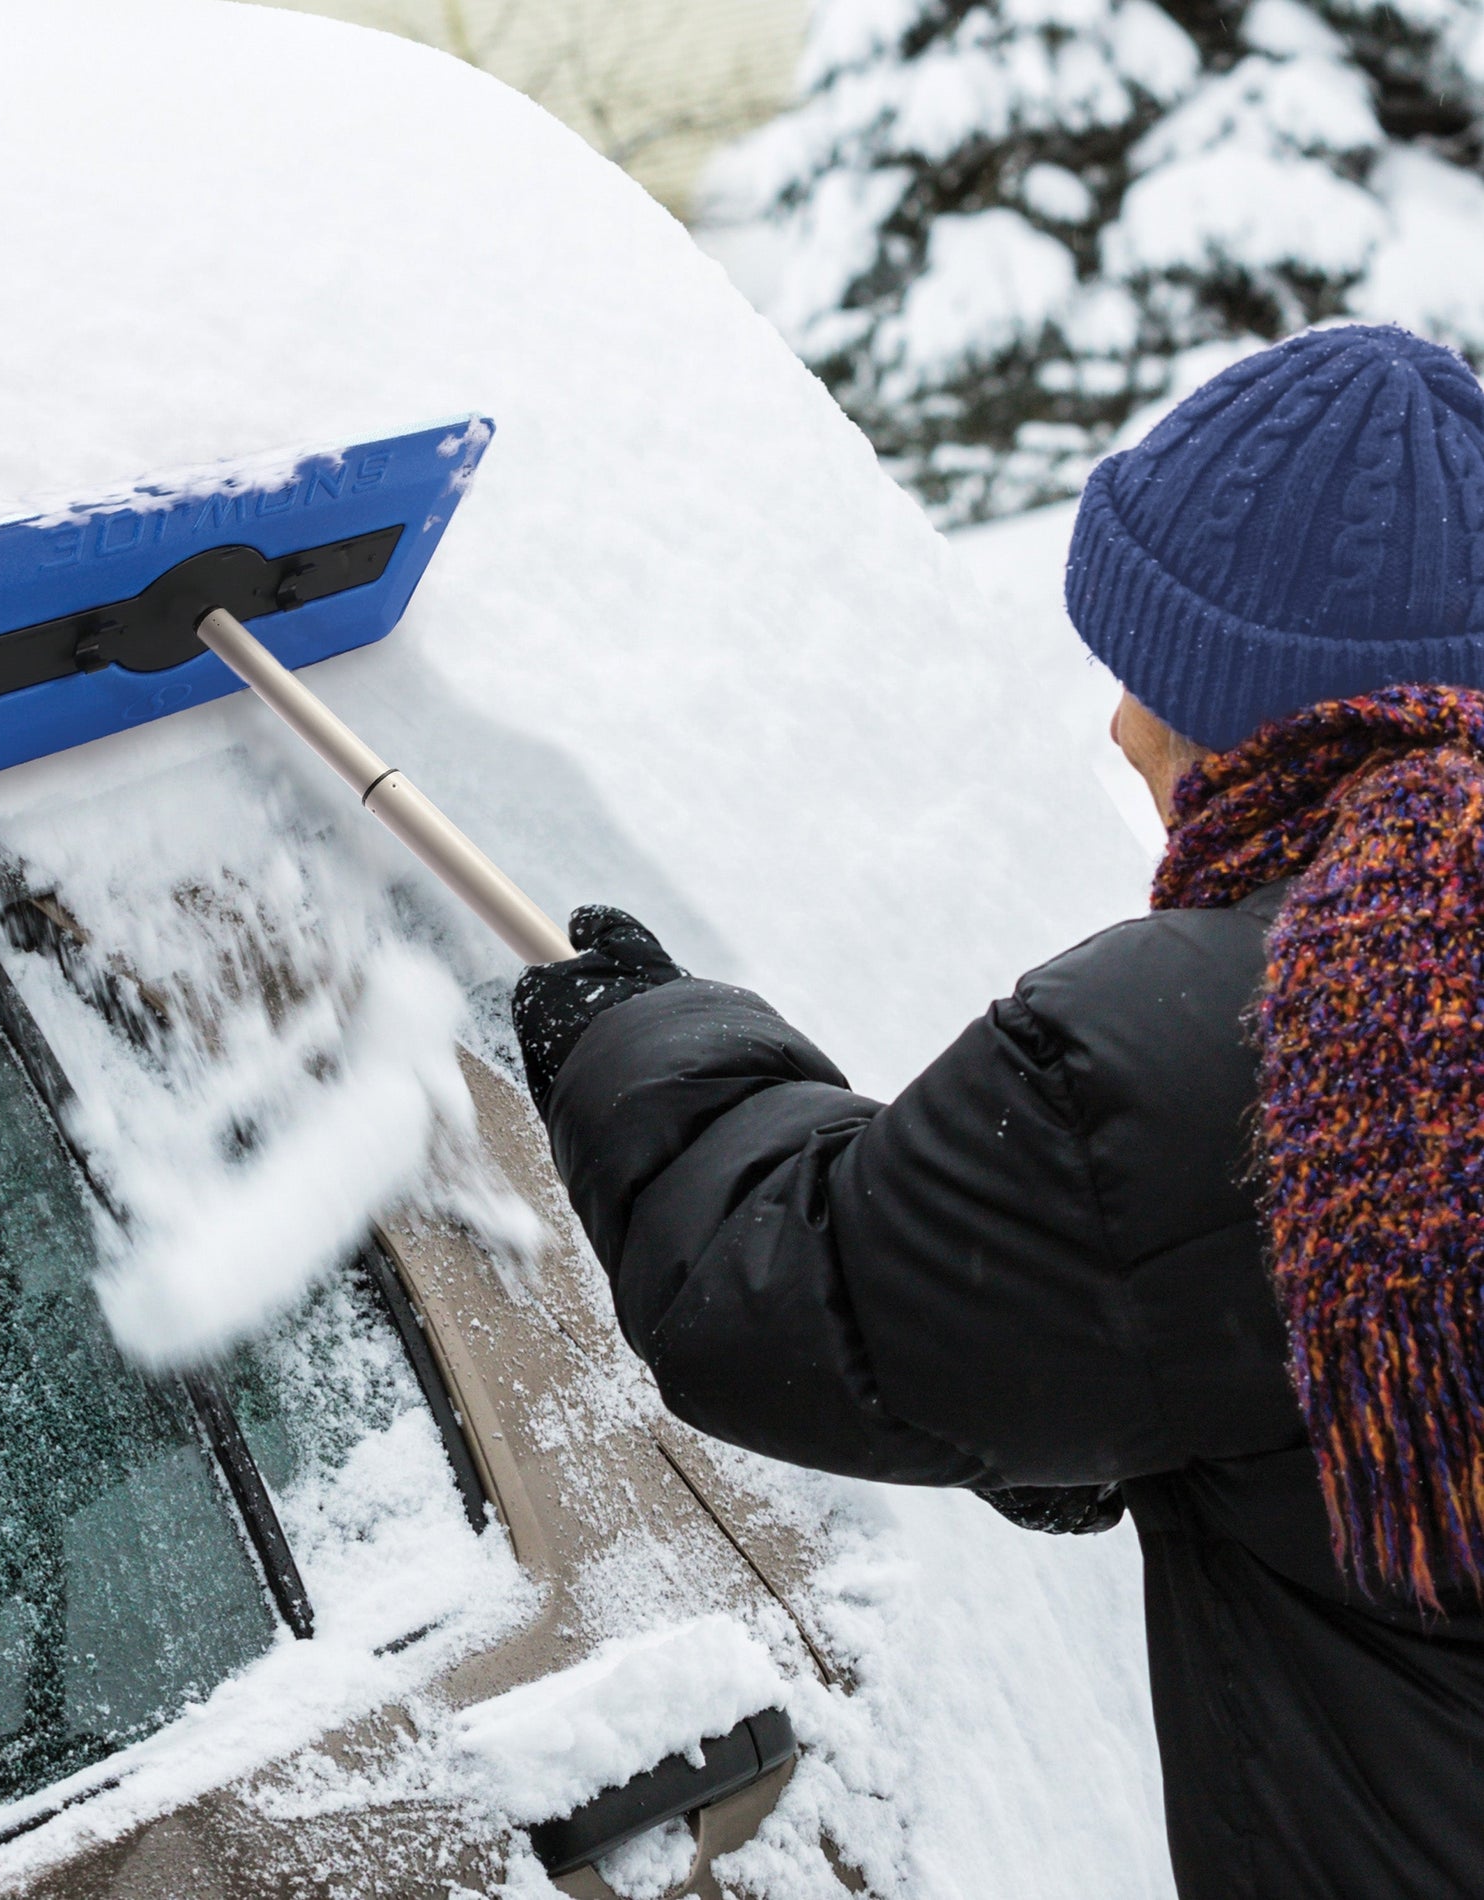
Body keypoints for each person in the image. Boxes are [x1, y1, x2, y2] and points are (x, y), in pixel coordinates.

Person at [511, 323, 1484, 1900]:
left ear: (1279, 712)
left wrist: (645, 1041)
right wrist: (1089, 1383)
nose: (1121, 728)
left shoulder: (1232, 1046)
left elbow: (778, 1303)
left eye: (1161, 681)